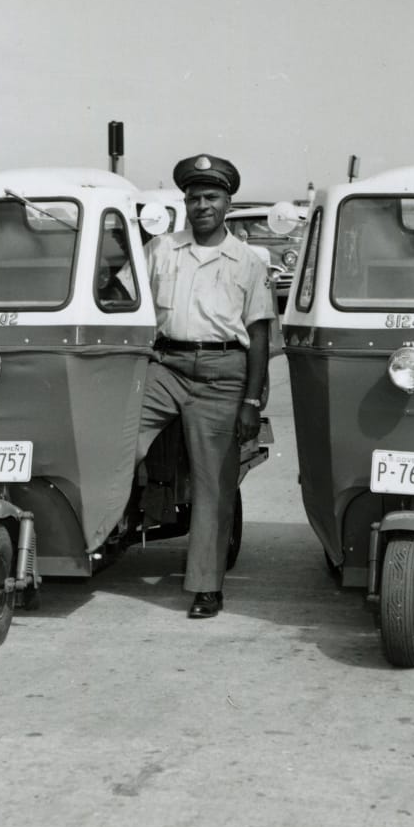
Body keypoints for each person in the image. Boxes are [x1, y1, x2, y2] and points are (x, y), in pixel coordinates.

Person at [137, 154, 277, 619]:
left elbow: (258, 335)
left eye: (211, 197)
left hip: (222, 374)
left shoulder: (248, 262)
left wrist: (252, 401)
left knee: (212, 483)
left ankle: (206, 586)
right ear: (185, 203)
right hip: (166, 365)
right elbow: (123, 296)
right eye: (194, 197)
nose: (202, 205)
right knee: (112, 439)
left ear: (227, 203)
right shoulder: (159, 249)